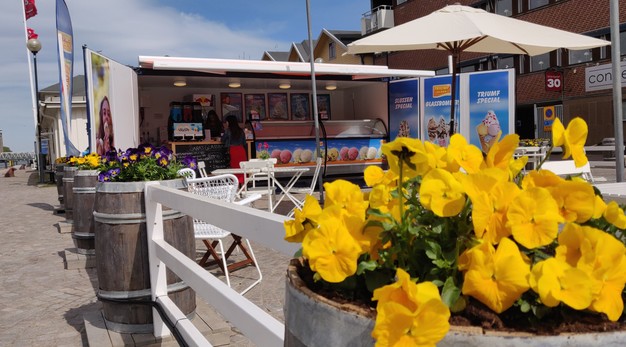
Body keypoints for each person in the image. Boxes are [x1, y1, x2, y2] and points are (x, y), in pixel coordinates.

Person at [221, 115, 246, 184]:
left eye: (226, 122)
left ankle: (236, 188)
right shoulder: (241, 131)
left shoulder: (228, 131)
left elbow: (222, 140)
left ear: (229, 122)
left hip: (233, 150)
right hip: (241, 150)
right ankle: (243, 188)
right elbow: (244, 142)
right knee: (242, 168)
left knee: (234, 168)